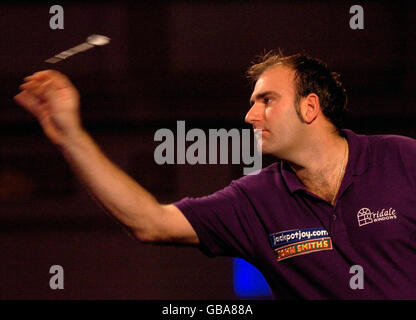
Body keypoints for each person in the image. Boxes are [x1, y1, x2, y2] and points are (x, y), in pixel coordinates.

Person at [14, 51, 416, 299]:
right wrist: (70, 135)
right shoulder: (255, 200)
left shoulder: (401, 158)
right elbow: (149, 222)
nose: (249, 115)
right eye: (251, 102)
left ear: (310, 107)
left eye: (267, 100)